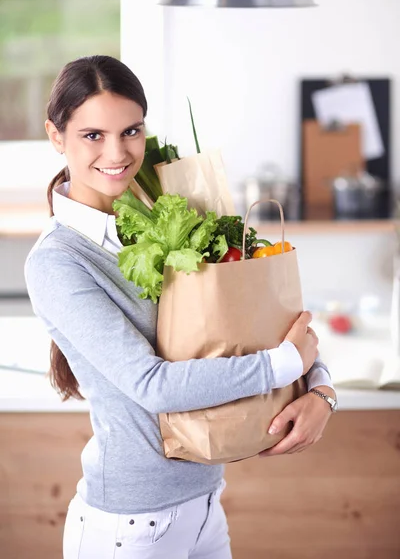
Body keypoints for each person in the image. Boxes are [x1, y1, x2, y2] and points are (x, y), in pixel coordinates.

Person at [24, 55, 336, 559]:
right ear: (55, 136)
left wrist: (320, 387)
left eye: (131, 130)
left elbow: (248, 318)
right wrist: (284, 365)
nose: (118, 152)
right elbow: (152, 385)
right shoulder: (58, 262)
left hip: (205, 506)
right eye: (92, 135)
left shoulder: (165, 213)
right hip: (131, 526)